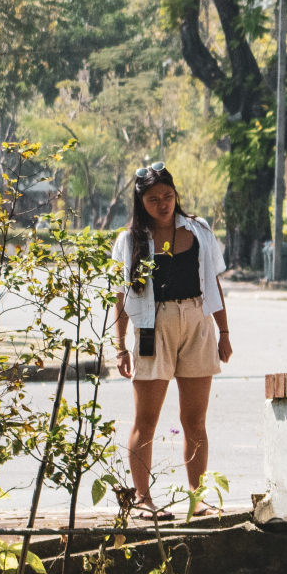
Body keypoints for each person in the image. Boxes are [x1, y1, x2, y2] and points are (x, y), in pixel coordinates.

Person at [110, 165, 232, 520]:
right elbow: (120, 296)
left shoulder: (198, 230)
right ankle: (143, 498)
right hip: (152, 326)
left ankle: (198, 497)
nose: (162, 204)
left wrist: (224, 332)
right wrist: (120, 346)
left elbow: (213, 283)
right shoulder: (130, 240)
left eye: (168, 196)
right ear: (141, 202)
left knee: (195, 420)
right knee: (146, 420)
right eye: (153, 199)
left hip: (197, 321)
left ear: (176, 195)